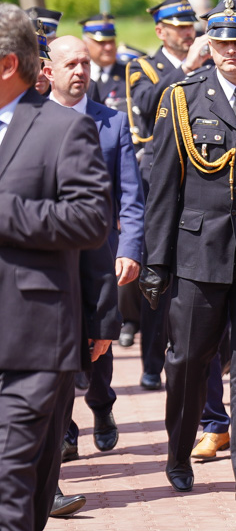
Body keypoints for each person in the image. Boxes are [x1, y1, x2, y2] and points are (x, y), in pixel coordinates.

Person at [139, 0, 236, 501]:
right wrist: (155, 260)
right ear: (210, 44)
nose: (229, 51)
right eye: (220, 42)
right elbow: (162, 188)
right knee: (187, 361)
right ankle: (179, 453)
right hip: (199, 253)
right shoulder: (182, 97)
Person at [0, 3, 112, 531]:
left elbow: (91, 221)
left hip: (31, 342)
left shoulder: (64, 130)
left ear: (6, 66)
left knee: (8, 487)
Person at [44, 35, 145, 460]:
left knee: (99, 342)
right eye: (71, 64)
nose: (81, 72)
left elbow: (131, 194)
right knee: (58, 344)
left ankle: (102, 407)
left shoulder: (113, 122)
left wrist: (130, 247)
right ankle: (64, 428)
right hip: (51, 255)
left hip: (100, 253)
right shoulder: (33, 122)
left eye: (85, 64)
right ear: (48, 72)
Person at [125, 0, 210, 390]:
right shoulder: (143, 66)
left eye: (188, 26)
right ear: (160, 31)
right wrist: (187, 67)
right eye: (177, 28)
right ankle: (149, 360)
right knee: (156, 269)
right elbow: (146, 104)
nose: (185, 32)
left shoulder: (210, 59)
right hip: (156, 178)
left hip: (199, 176)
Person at [79, 13, 127, 112]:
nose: (108, 47)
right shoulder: (78, 73)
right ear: (85, 43)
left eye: (111, 41)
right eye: (101, 42)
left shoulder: (128, 74)